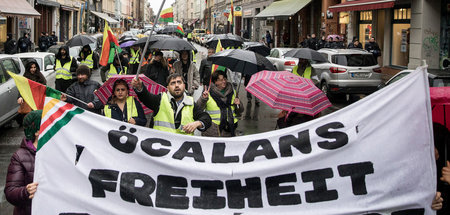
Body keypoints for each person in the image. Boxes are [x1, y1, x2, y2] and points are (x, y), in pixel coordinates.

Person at [131, 73, 211, 135]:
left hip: (182, 150)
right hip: (160, 148)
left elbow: (206, 118)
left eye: (179, 82)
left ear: (184, 86)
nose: (176, 85)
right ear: (168, 88)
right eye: (173, 83)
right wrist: (139, 87)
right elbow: (146, 97)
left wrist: (198, 123)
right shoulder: (160, 99)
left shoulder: (191, 103)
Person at [4, 110, 42, 215]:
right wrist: (25, 191)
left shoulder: (56, 151)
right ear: (37, 132)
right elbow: (10, 192)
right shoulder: (19, 157)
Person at [197, 70, 243, 137]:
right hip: (212, 131)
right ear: (215, 82)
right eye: (220, 80)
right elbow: (198, 109)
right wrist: (203, 98)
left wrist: (238, 104)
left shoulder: (233, 92)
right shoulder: (208, 93)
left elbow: (240, 111)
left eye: (224, 79)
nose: (224, 81)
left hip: (229, 130)